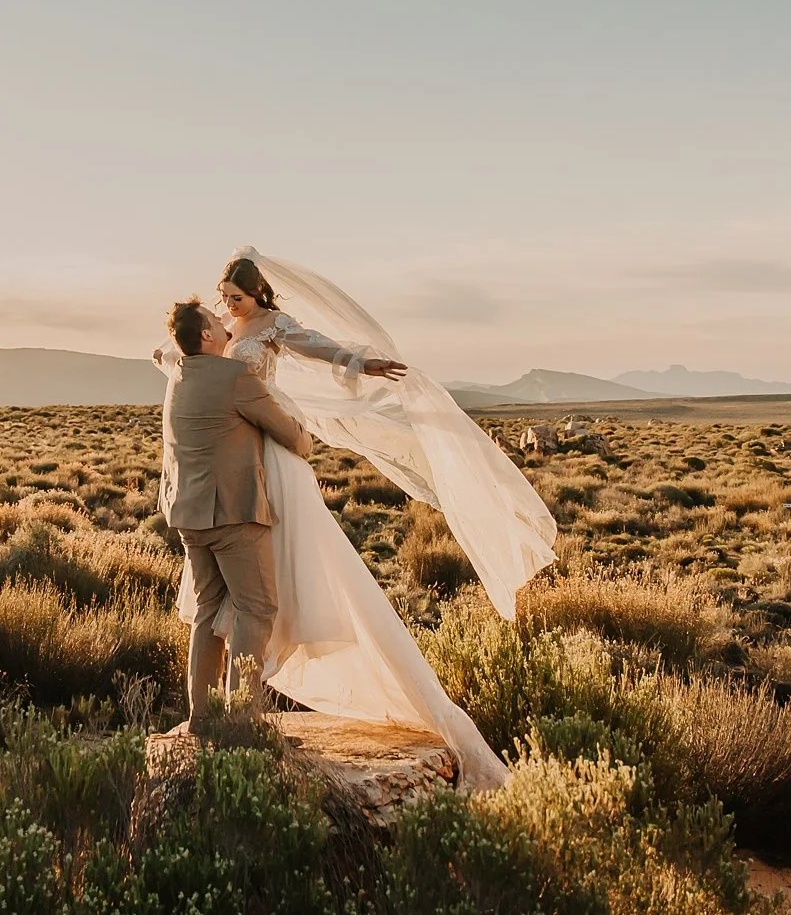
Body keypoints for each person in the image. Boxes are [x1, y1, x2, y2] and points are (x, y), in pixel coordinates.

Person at [155, 249, 558, 790]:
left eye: (236, 298)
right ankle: (233, 718)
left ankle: (223, 713)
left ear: (258, 296)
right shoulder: (221, 344)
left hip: (252, 467)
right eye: (221, 300)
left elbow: (312, 345)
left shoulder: (266, 329)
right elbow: (190, 360)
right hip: (249, 463)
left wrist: (356, 362)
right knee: (246, 602)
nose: (227, 308)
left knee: (249, 593)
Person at [156, 296, 314, 725]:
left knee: (208, 609)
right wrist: (306, 441)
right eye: (214, 318)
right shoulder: (234, 376)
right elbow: (289, 433)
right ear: (206, 334)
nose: (224, 320)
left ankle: (202, 718)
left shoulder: (179, 375)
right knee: (256, 609)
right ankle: (241, 721)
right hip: (232, 515)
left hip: (188, 515)